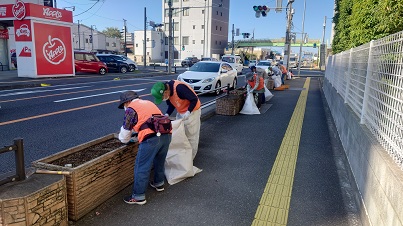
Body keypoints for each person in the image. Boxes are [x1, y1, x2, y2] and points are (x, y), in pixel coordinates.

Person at [118, 91, 172, 205]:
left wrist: (127, 140)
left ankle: (138, 196)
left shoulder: (130, 109)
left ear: (127, 102)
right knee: (159, 161)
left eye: (123, 104)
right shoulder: (148, 103)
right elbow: (149, 121)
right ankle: (159, 183)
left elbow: (124, 136)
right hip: (166, 135)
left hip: (151, 139)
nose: (124, 107)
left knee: (142, 166)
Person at [151, 80, 201, 160]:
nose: (163, 99)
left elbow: (194, 99)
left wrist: (188, 112)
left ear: (166, 91)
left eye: (162, 97)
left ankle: (190, 161)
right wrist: (167, 114)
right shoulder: (167, 93)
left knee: (191, 136)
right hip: (181, 111)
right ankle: (182, 157)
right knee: (180, 135)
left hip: (192, 111)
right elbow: (171, 105)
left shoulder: (179, 88)